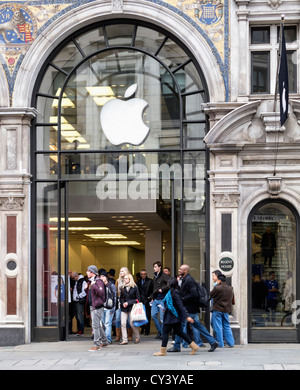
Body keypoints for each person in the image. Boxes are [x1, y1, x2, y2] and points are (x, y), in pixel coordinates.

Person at [168, 264, 219, 353]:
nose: (179, 270)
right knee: (197, 325)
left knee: (180, 326)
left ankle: (176, 346)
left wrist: (182, 299)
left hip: (189, 308)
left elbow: (194, 294)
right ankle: (213, 342)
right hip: (191, 308)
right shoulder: (185, 279)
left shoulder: (189, 280)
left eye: (181, 269)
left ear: (186, 271)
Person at [153, 277, 199, 356]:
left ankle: (163, 351)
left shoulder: (174, 292)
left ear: (170, 283)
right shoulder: (171, 292)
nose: (167, 284)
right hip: (172, 316)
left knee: (165, 332)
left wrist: (187, 317)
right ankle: (194, 346)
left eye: (168, 283)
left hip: (172, 317)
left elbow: (180, 305)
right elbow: (170, 303)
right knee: (180, 332)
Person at [85, 265, 109, 351]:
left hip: (97, 306)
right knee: (97, 324)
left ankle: (96, 344)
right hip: (93, 306)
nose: (86, 273)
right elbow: (92, 294)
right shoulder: (91, 281)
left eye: (88, 271)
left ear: (92, 272)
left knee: (95, 325)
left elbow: (101, 292)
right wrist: (86, 288)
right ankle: (105, 341)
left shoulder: (98, 281)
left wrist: (93, 285)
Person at [210, 274, 235, 348]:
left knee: (218, 327)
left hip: (218, 309)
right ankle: (231, 343)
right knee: (227, 326)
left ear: (219, 280)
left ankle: (221, 344)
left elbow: (210, 295)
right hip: (226, 309)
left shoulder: (217, 288)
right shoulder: (230, 288)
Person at [150, 261, 170, 339]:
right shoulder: (155, 277)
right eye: (154, 267)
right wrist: (152, 297)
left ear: (159, 267)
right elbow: (154, 289)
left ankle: (163, 334)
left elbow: (169, 284)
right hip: (155, 299)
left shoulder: (164, 276)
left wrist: (162, 289)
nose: (154, 268)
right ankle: (160, 331)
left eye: (155, 267)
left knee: (162, 318)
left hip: (162, 299)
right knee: (153, 315)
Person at [119, 274, 141, 345]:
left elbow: (138, 299)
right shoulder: (122, 288)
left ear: (129, 279)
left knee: (132, 324)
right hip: (124, 308)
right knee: (123, 323)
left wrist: (128, 303)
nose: (124, 280)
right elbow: (121, 298)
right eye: (124, 279)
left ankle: (137, 337)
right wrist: (123, 303)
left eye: (126, 278)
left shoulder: (135, 287)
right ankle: (125, 339)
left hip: (132, 307)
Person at [99, 270, 117, 344]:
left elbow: (115, 297)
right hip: (102, 307)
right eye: (100, 276)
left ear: (106, 277)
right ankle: (104, 339)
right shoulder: (99, 286)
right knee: (103, 323)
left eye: (103, 276)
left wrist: (114, 307)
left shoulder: (111, 285)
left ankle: (108, 339)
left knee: (107, 323)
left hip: (110, 307)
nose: (102, 278)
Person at [115, 267, 131, 342]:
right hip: (119, 302)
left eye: (122, 271)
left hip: (128, 302)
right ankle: (118, 335)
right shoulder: (118, 281)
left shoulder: (129, 280)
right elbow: (116, 291)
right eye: (120, 271)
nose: (121, 272)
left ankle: (129, 335)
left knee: (128, 320)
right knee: (118, 318)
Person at [137, 269, 153, 335]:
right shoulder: (138, 282)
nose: (143, 275)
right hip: (140, 300)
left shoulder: (150, 281)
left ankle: (147, 330)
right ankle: (142, 328)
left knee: (148, 315)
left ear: (146, 274)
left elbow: (152, 290)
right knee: (141, 315)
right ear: (140, 275)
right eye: (142, 274)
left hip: (147, 300)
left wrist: (150, 297)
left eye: (144, 274)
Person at [71, 271, 87, 336]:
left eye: (73, 278)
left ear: (76, 276)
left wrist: (78, 296)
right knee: (77, 316)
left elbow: (85, 292)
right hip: (75, 301)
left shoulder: (83, 281)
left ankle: (81, 330)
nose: (73, 280)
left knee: (80, 316)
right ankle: (79, 330)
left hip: (79, 302)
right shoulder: (77, 282)